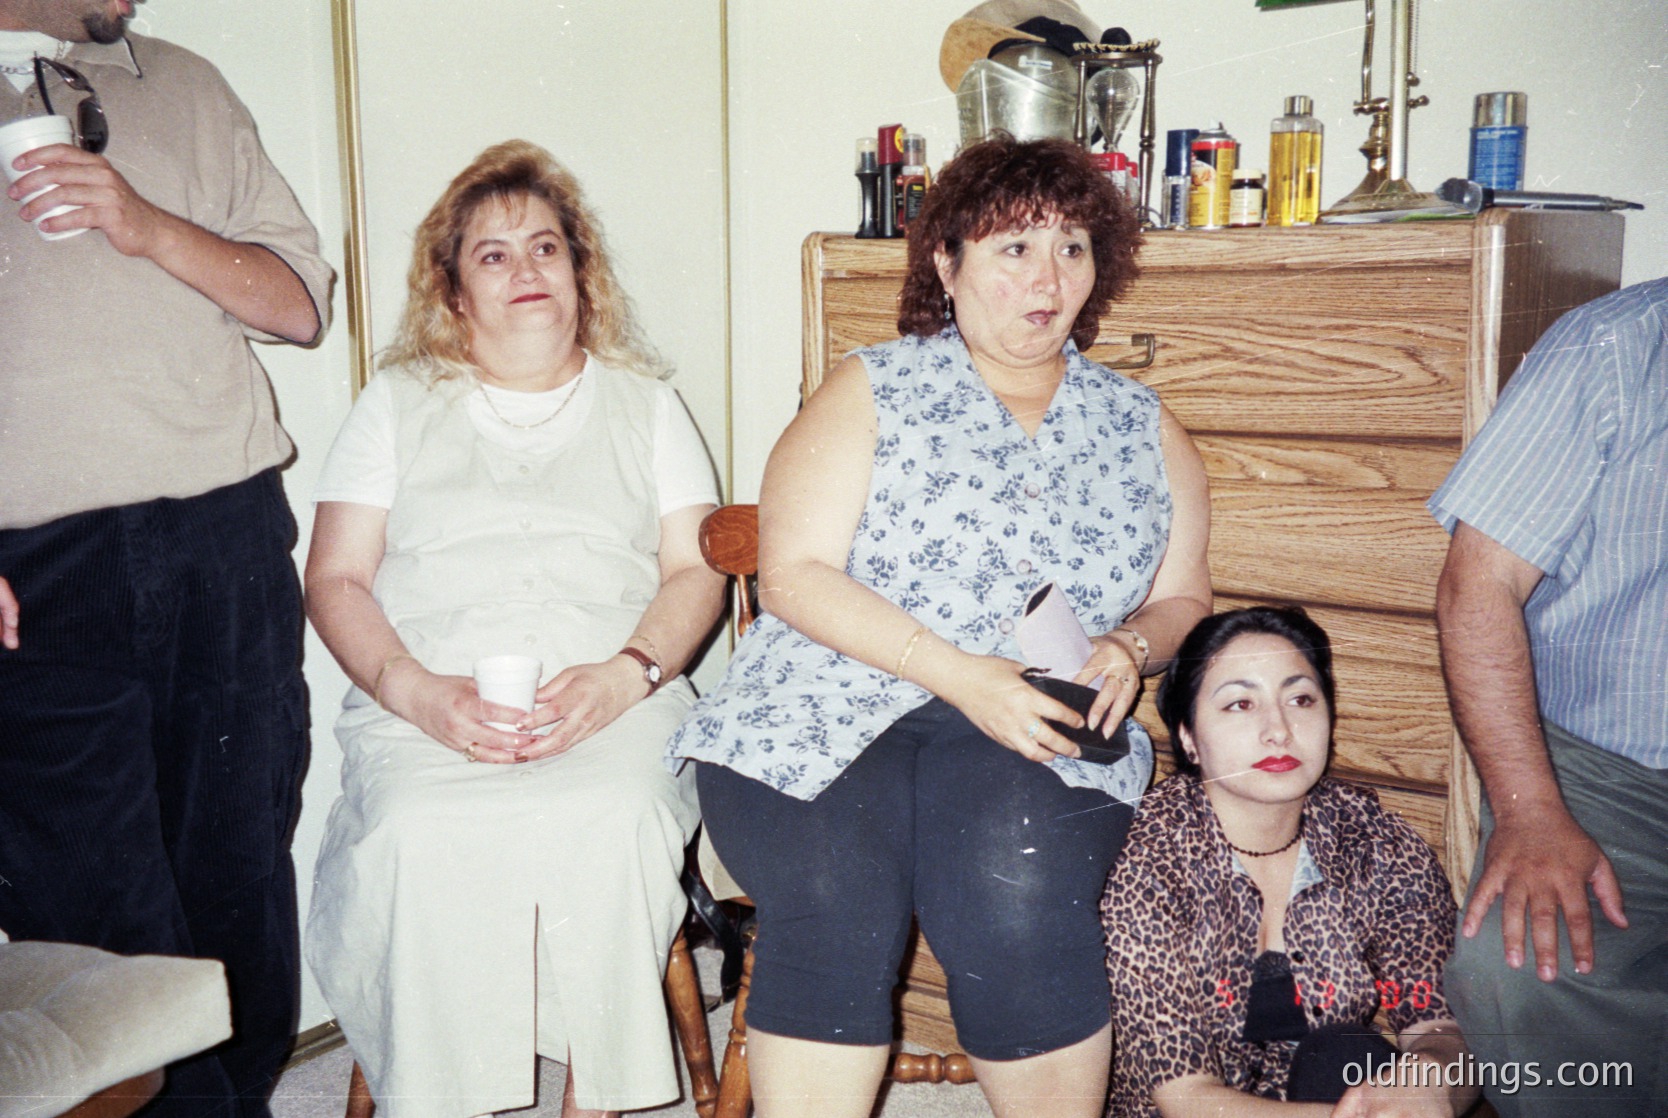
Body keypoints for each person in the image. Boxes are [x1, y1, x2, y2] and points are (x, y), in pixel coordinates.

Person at [669, 134, 1213, 1117]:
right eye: (1013, 248)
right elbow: (790, 574)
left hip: (1036, 713)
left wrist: (1131, 646)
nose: (1048, 278)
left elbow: (1184, 596)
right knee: (835, 898)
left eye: (1074, 247)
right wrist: (960, 673)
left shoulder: (1144, 423)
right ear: (947, 262)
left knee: (1014, 890)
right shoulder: (869, 387)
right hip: (820, 702)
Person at [302, 140, 723, 1118]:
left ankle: (593, 1094)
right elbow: (335, 577)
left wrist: (628, 671)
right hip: (427, 703)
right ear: (452, 291)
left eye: (546, 247)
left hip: (619, 697)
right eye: (493, 255)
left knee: (615, 816)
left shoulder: (647, 405)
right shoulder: (395, 406)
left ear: (581, 272)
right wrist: (419, 693)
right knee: (416, 830)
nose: (526, 269)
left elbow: (695, 568)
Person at [0, 1, 332, 1112]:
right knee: (93, 910)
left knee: (239, 871)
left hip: (222, 532)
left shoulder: (183, 83)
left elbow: (297, 306)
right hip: (34, 569)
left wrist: (145, 224)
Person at [1429, 277, 1668, 1116]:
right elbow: (1478, 586)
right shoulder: (1617, 348)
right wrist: (1529, 810)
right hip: (1613, 782)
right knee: (1514, 967)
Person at [1102, 606, 1477, 1118]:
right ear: (1189, 737)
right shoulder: (1148, 855)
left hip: (1323, 1094)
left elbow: (1438, 1021)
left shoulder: (1375, 844)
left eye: (1301, 699)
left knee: (1350, 1056)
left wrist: (1432, 1075)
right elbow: (1183, 1097)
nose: (1278, 729)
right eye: (1239, 704)